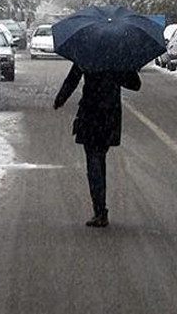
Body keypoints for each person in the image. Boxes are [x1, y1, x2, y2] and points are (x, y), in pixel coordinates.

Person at [53, 63, 141, 228]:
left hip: (91, 115)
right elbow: (135, 84)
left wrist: (60, 99)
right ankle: (100, 210)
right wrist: (118, 73)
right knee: (98, 160)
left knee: (94, 162)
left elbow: (72, 79)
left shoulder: (86, 54)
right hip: (108, 116)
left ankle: (100, 210)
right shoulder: (117, 57)